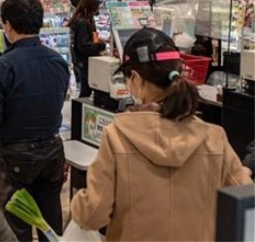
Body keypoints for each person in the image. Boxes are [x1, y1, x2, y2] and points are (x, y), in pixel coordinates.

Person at [70, 28, 252, 241]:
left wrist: (77, 203)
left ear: (136, 79)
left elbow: (93, 215)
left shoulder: (117, 136)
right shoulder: (214, 137)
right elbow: (246, 195)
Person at [0, 0, 70, 241]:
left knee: (15, 227)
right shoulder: (58, 61)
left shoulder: (2, 66)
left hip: (15, 155)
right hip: (52, 151)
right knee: (50, 224)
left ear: (8, 25)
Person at [68, 0, 106, 98]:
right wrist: (101, 46)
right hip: (84, 60)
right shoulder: (83, 23)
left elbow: (88, 38)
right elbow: (84, 45)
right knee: (90, 88)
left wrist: (98, 41)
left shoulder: (83, 19)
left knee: (86, 89)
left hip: (80, 60)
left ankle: (79, 111)